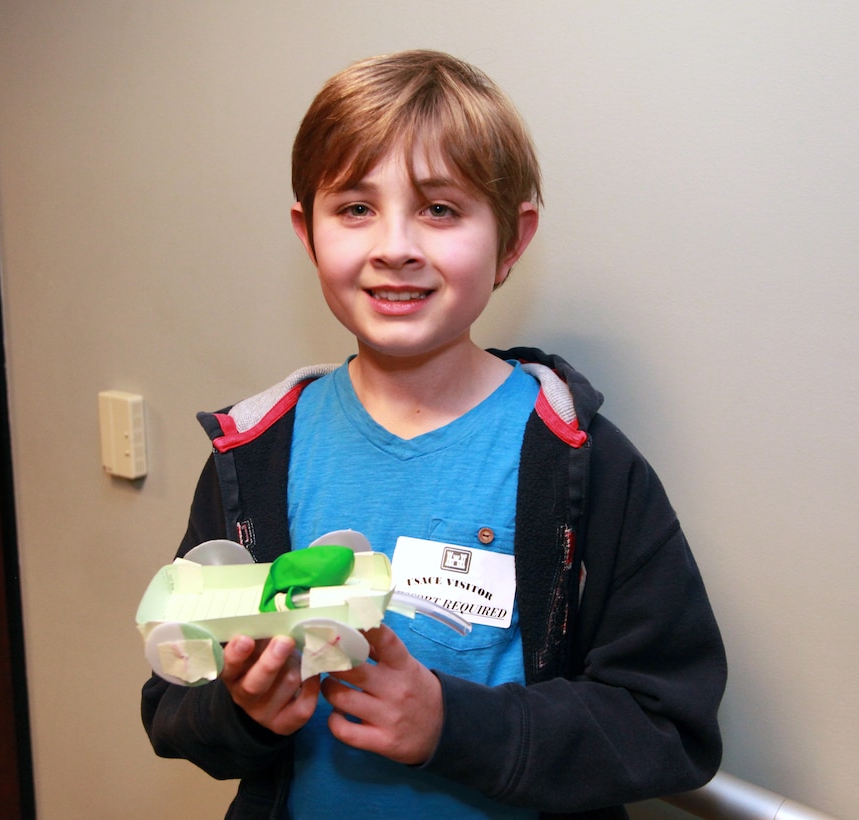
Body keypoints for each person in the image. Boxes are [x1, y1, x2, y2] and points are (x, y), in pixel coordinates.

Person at [142, 49, 726, 819]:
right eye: (354, 208)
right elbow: (173, 701)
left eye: (439, 209)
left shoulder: (582, 465)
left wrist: (454, 726)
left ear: (511, 241)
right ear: (307, 233)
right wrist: (240, 715)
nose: (394, 246)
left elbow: (665, 726)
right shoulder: (253, 455)